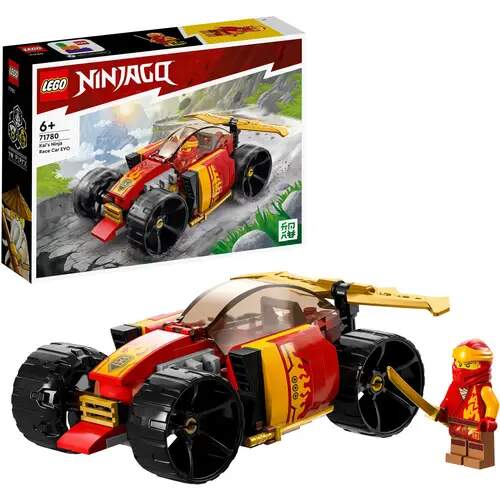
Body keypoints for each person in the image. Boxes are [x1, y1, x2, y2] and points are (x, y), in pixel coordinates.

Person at [438, 339, 498, 468]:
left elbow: (493, 404)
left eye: (468, 365)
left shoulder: (483, 389)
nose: (461, 369)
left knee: (476, 445)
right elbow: (447, 400)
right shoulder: (454, 386)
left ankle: (479, 459)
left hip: (475, 426)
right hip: (456, 423)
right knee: (458, 442)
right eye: (458, 363)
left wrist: (489, 419)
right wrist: (442, 410)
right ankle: (457, 455)